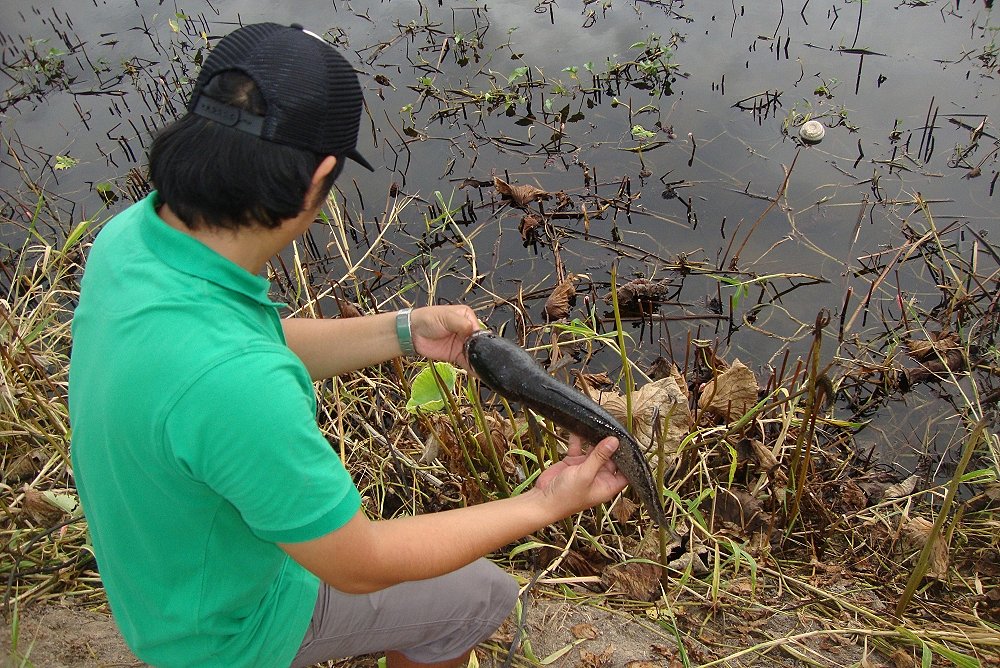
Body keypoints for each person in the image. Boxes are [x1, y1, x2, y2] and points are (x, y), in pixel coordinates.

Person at [68, 22, 627, 668]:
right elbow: (361, 562)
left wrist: (402, 331)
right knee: (480, 596)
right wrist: (543, 503)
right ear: (319, 181)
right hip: (220, 630)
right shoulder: (238, 386)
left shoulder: (132, 241)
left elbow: (251, 343)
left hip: (158, 575)